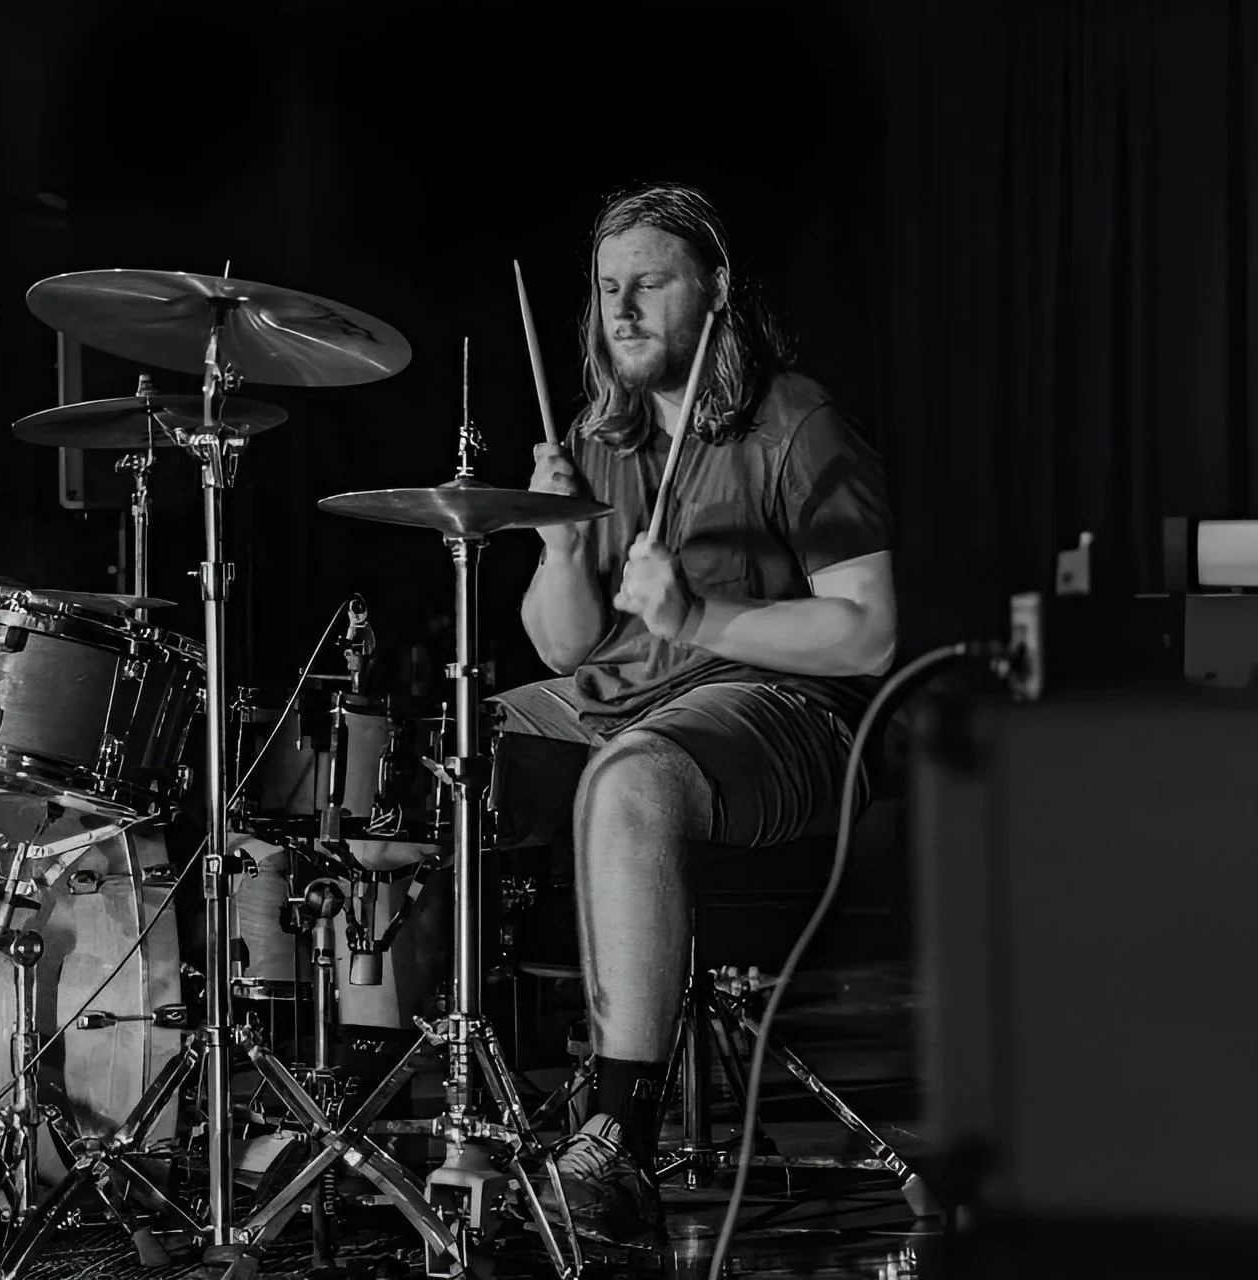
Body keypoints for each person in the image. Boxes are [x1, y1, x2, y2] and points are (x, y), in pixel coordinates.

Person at [495, 182, 896, 1242]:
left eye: (648, 285)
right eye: (606, 289)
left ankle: (615, 1137)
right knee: (439, 756)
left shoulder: (793, 420)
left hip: (788, 708)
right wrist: (556, 543)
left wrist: (701, 611)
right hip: (623, 696)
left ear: (713, 293)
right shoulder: (598, 436)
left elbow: (866, 634)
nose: (619, 309)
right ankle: (425, 1083)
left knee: (631, 773)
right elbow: (564, 645)